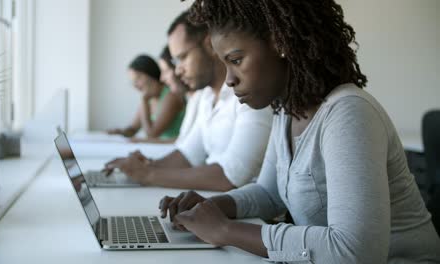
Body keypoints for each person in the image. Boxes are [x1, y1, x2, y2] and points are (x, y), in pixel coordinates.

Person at [158, 1, 440, 263]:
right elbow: (270, 194)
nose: (230, 80)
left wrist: (225, 230)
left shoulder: (348, 114)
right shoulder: (285, 110)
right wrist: (213, 207)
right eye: (224, 64)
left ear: (281, 44)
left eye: (236, 60)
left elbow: (355, 251)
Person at [104, 12, 273, 192]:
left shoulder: (250, 94)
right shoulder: (206, 96)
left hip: (244, 207)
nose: (177, 71)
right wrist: (148, 166)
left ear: (209, 45)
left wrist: (148, 174)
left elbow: (231, 176)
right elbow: (188, 154)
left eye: (183, 57)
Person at [107, 55, 185, 141]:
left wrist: (144, 100)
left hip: (171, 148)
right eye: (132, 81)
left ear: (150, 73)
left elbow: (151, 134)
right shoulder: (149, 98)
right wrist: (121, 132)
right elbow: (133, 128)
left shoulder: (171, 96)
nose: (135, 85)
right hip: (158, 148)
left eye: (138, 79)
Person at [158, 45, 203, 145]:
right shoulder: (191, 98)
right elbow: (182, 140)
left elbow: (186, 143)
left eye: (165, 71)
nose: (162, 79)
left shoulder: (201, 97)